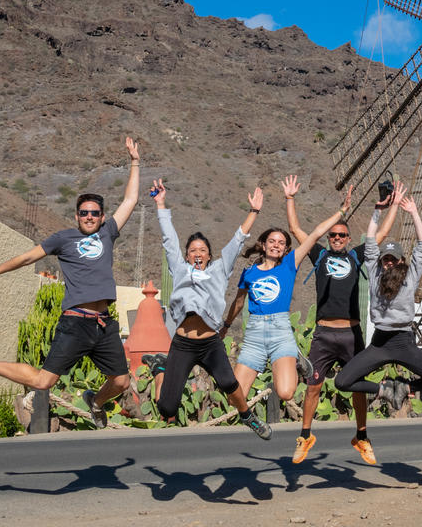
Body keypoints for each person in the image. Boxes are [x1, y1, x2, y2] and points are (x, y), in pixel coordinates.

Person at [0, 137, 142, 428]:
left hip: (105, 324)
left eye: (95, 213)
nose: (89, 217)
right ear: (77, 216)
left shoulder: (108, 233)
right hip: (76, 322)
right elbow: (27, 258)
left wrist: (134, 162)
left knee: (120, 380)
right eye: (84, 213)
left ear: (102, 217)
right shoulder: (63, 239)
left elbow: (130, 200)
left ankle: (95, 402)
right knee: (44, 381)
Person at [284, 175, 400, 465]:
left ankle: (362, 437)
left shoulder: (358, 256)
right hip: (324, 334)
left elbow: (381, 235)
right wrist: (290, 199)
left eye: (341, 236)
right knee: (313, 384)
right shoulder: (319, 255)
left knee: (357, 383)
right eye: (333, 235)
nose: (336, 238)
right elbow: (295, 229)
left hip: (351, 334)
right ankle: (305, 435)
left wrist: (394, 206)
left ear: (349, 239)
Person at [141, 178, 271, 436]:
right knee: (167, 408)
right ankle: (159, 368)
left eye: (202, 249)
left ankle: (248, 416)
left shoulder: (219, 270)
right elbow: (169, 239)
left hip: (210, 343)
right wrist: (161, 204)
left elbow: (237, 241)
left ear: (209, 255)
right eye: (192, 250)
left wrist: (253, 212)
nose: (197, 253)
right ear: (187, 255)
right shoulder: (179, 269)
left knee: (227, 381)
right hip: (183, 343)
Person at [220, 191, 348, 437]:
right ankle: (251, 419)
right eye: (272, 241)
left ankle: (296, 358)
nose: (277, 245)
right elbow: (238, 302)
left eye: (281, 242)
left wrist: (341, 212)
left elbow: (315, 234)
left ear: (286, 248)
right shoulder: (249, 273)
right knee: (234, 396)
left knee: (287, 392)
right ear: (264, 244)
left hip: (280, 331)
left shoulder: (290, 263)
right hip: (255, 334)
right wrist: (226, 325)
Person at [333, 193, 422, 447]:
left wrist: (414, 213)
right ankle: (384, 390)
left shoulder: (410, 276)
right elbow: (372, 240)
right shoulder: (374, 275)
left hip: (404, 341)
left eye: (392, 259)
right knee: (343, 381)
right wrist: (377, 210)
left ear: (400, 261)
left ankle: (405, 388)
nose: (387, 263)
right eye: (384, 259)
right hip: (380, 343)